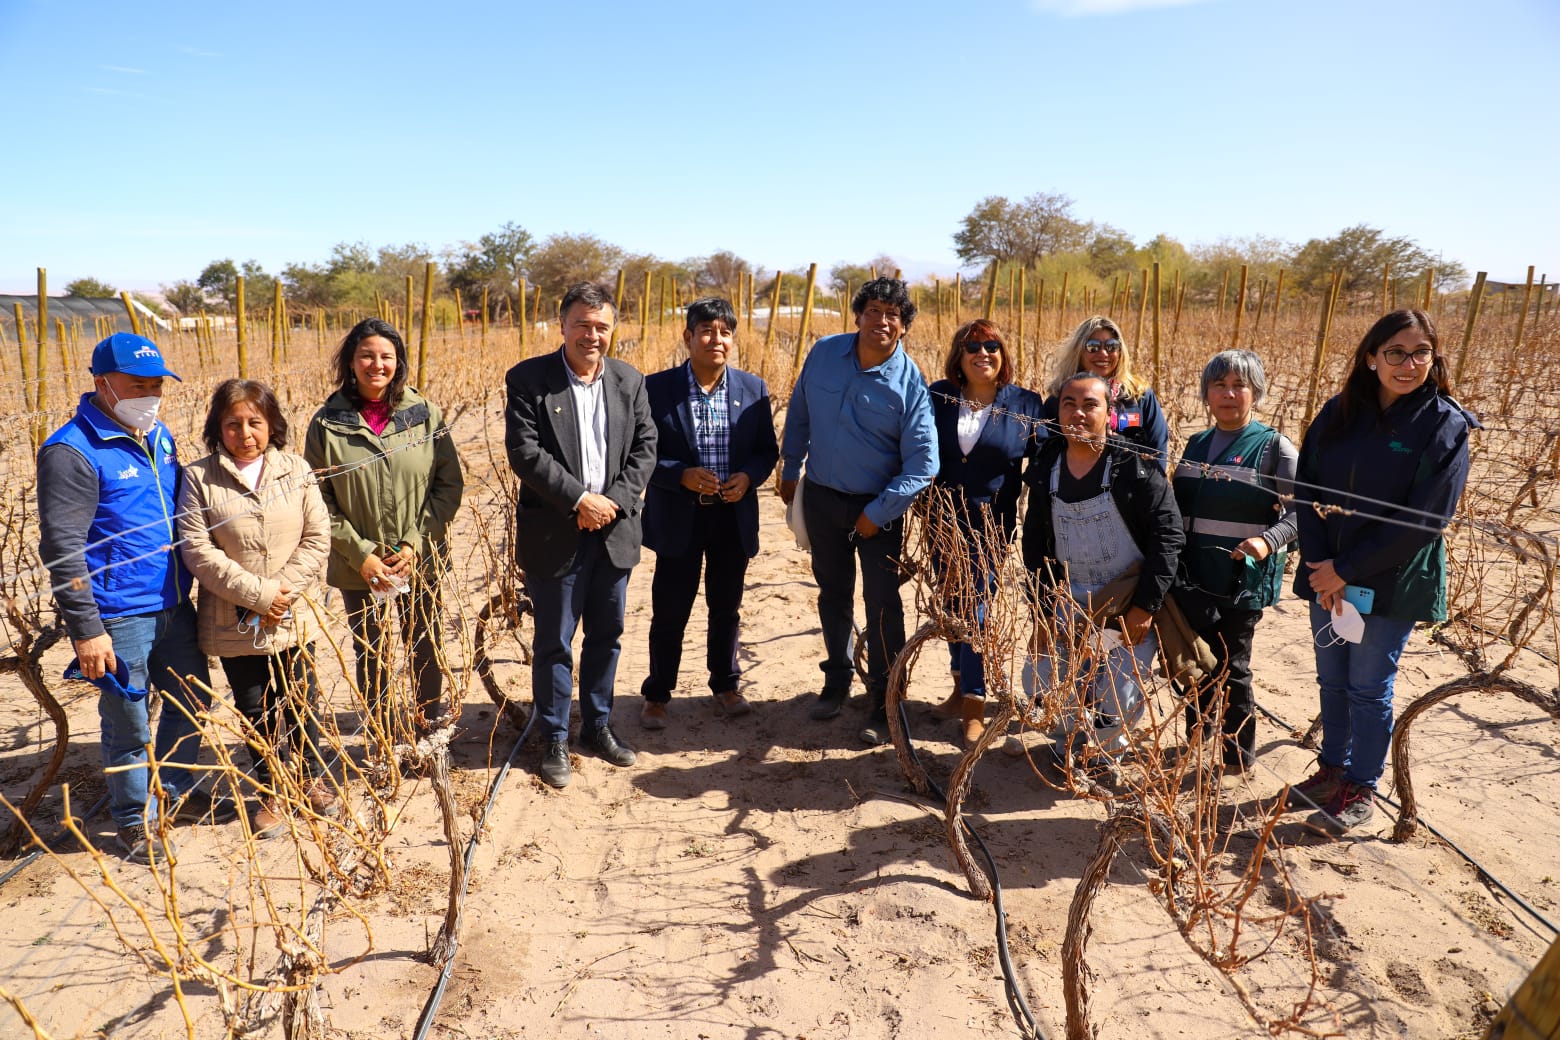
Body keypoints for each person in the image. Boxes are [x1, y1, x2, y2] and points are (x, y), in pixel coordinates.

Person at [37, 332, 232, 864]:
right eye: (137, 384)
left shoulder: (157, 434)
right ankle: (133, 822)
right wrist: (86, 629)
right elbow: (61, 547)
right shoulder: (71, 452)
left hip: (172, 603)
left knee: (194, 701)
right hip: (116, 615)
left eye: (156, 385)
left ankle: (170, 795)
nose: (150, 393)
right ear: (102, 384)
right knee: (128, 720)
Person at [1285, 309, 1475, 834]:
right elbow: (1308, 489)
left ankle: (1360, 785)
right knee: (1332, 679)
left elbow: (1426, 520)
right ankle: (1331, 769)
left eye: (1420, 353)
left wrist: (1345, 568)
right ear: (1371, 358)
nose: (1408, 364)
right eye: (1395, 352)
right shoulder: (1340, 412)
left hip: (1391, 580)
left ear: (1434, 359)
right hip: (1326, 573)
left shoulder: (1444, 424)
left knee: (1370, 686)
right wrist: (1321, 562)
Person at [505, 282, 657, 788]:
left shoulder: (629, 381)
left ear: (612, 329)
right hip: (558, 530)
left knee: (607, 636)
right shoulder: (530, 380)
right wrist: (579, 500)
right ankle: (553, 736)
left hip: (614, 530)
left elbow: (645, 447)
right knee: (554, 641)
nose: (592, 335)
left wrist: (611, 501)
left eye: (601, 326)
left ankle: (596, 725)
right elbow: (525, 453)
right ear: (562, 325)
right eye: (582, 324)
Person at [779, 277, 937, 746]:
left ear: (904, 326)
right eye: (873, 310)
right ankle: (836, 678)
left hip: (877, 509)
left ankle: (883, 698)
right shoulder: (825, 353)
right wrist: (790, 465)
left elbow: (924, 462)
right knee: (832, 592)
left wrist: (880, 511)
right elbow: (800, 412)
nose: (882, 321)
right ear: (858, 315)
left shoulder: (910, 383)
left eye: (893, 314)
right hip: (823, 497)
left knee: (883, 604)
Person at [178, 379, 337, 838]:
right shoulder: (198, 478)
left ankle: (310, 779)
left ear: (272, 425)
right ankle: (271, 788)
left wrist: (281, 592)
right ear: (217, 428)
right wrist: (259, 596)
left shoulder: (296, 468)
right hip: (233, 618)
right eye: (233, 424)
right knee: (255, 707)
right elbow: (198, 550)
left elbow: (317, 536)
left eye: (255, 422)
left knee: (301, 700)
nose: (245, 433)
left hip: (294, 612)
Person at [303, 319, 464, 740]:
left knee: (425, 644)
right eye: (367, 356)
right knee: (371, 650)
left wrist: (415, 543)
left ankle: (429, 729)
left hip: (420, 557)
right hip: (360, 566)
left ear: (399, 362)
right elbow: (320, 499)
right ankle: (382, 736)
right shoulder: (327, 423)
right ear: (351, 362)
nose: (377, 364)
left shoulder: (425, 414)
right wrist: (362, 554)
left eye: (386, 356)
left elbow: (449, 484)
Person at [1020, 372, 1183, 770]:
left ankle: (1106, 748)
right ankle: (1067, 741)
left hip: (1125, 598)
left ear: (1109, 413)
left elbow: (1169, 536)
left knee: (1120, 692)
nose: (1078, 413)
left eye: (1090, 404)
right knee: (1040, 679)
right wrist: (1042, 613)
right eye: (1068, 404)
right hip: (1069, 596)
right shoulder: (1047, 466)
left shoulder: (1135, 466)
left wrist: (1144, 607)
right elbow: (1035, 546)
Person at [639, 297, 779, 729]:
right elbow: (640, 453)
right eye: (706, 331)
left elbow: (765, 451)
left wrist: (748, 478)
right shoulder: (655, 389)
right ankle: (658, 694)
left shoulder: (752, 389)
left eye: (724, 333)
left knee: (726, 607)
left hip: (730, 517)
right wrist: (678, 474)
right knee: (670, 608)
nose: (716, 340)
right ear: (688, 337)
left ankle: (725, 685)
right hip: (680, 516)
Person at [1171, 350, 1298, 773]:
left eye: (1239, 385)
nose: (1229, 394)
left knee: (1233, 666)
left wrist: (1269, 539)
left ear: (1255, 392)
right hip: (1193, 576)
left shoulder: (1273, 446)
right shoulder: (1196, 443)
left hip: (1240, 580)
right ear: (1207, 393)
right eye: (1219, 385)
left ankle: (1236, 756)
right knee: (1195, 660)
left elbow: (1306, 511)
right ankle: (1198, 734)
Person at [924, 319, 1045, 746]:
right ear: (959, 356)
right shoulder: (938, 396)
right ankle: (960, 688)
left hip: (991, 526)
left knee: (975, 609)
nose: (983, 353)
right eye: (972, 346)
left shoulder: (1026, 404)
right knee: (951, 603)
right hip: (940, 520)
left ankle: (975, 703)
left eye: (992, 346)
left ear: (1003, 354)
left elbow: (1047, 461)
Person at [1041, 316, 1169, 468]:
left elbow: (1158, 448)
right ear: (1079, 351)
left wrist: (1150, 486)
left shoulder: (1139, 396)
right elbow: (1047, 453)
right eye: (1093, 347)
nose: (1103, 353)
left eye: (1111, 346)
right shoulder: (1060, 398)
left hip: (1130, 487)